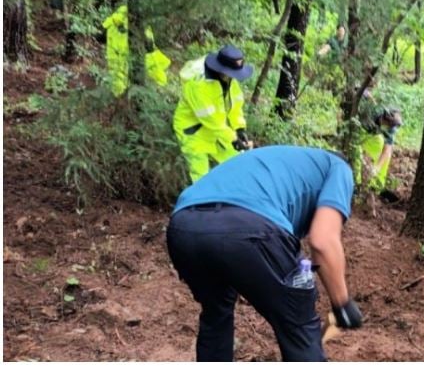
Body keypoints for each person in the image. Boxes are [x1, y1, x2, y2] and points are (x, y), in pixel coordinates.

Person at [166, 145, 363, 361]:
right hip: (249, 227)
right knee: (299, 325)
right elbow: (323, 240)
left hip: (184, 227)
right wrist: (342, 304)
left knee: (216, 314)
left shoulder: (281, 160)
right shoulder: (339, 168)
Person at [173, 45, 253, 183]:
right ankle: (199, 203)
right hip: (193, 132)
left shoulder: (229, 80)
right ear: (223, 69)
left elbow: (235, 106)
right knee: (201, 178)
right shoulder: (198, 85)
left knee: (238, 163)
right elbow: (210, 119)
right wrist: (233, 139)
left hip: (218, 131)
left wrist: (240, 129)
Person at [357, 104, 403, 201]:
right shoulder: (371, 114)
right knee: (361, 153)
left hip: (375, 137)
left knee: (386, 157)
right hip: (362, 134)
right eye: (388, 124)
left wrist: (376, 168)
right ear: (384, 118)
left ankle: (376, 187)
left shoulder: (391, 128)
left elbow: (387, 150)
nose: (389, 127)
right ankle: (357, 185)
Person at [102, 5, 129, 97]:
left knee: (114, 74)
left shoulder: (111, 20)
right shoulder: (133, 23)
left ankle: (116, 96)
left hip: (112, 53)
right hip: (124, 53)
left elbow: (100, 32)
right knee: (124, 73)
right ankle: (123, 95)